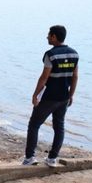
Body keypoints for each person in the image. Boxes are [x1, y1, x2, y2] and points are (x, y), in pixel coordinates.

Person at [22, 25, 79, 167]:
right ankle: (52, 158)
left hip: (49, 97)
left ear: (54, 36)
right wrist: (71, 95)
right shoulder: (74, 54)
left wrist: (35, 94)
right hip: (64, 97)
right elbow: (75, 76)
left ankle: (30, 158)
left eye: (49, 35)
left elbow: (44, 78)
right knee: (59, 127)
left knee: (34, 124)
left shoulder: (51, 55)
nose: (47, 37)